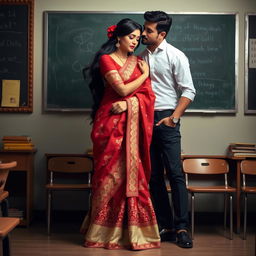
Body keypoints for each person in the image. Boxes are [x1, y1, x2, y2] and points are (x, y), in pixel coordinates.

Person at [80, 18, 160, 250]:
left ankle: (132, 233)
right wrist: (145, 75)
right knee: (109, 177)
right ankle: (103, 233)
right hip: (109, 125)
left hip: (130, 126)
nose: (135, 41)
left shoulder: (137, 61)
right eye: (131, 37)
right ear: (118, 38)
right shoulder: (107, 60)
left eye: (138, 38)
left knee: (133, 177)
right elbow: (122, 89)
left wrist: (129, 104)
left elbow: (148, 97)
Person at [140, 11, 196, 248]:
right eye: (144, 28)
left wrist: (173, 118)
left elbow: (189, 91)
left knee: (175, 174)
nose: (143, 33)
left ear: (161, 34)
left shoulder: (176, 56)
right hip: (144, 119)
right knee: (153, 177)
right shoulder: (141, 57)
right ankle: (166, 227)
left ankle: (182, 227)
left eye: (149, 30)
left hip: (166, 119)